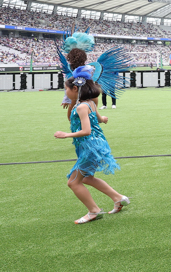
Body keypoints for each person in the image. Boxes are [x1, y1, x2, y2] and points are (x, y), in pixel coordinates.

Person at [54, 66, 129, 224]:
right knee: (87, 178)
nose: (65, 92)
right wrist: (103, 119)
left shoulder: (81, 106)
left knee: (73, 182)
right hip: (95, 145)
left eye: (66, 89)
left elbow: (86, 130)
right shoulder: (89, 103)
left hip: (90, 147)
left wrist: (66, 134)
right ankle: (118, 198)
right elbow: (96, 117)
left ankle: (94, 211)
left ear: (75, 89)